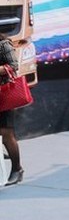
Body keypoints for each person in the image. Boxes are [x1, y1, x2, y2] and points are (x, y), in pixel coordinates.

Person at [0, 33, 22, 185]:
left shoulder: (3, 44)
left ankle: (17, 169)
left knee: (6, 133)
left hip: (4, 93)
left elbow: (14, 66)